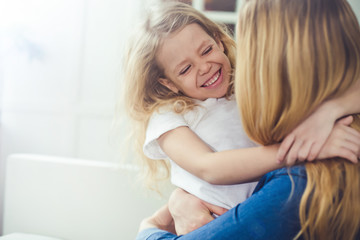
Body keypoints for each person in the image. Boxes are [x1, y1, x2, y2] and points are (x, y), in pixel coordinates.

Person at [134, 0, 360, 239]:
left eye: (207, 50)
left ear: (218, 40)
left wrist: (150, 228)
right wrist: (297, 148)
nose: (204, 67)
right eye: (185, 69)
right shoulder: (169, 114)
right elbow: (208, 167)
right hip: (219, 216)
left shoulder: (240, 87)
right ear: (167, 83)